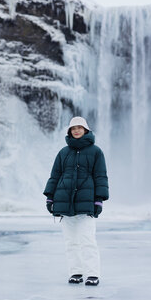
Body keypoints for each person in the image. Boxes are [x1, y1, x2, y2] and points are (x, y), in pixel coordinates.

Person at [43, 116, 109, 286]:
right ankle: (76, 272)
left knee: (87, 240)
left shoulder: (96, 151)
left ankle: (93, 274)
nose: (77, 130)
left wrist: (99, 200)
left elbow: (100, 177)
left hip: (86, 204)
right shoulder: (63, 153)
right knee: (70, 242)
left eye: (80, 128)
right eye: (73, 128)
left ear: (86, 130)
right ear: (70, 131)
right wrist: (50, 198)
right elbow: (55, 176)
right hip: (65, 203)